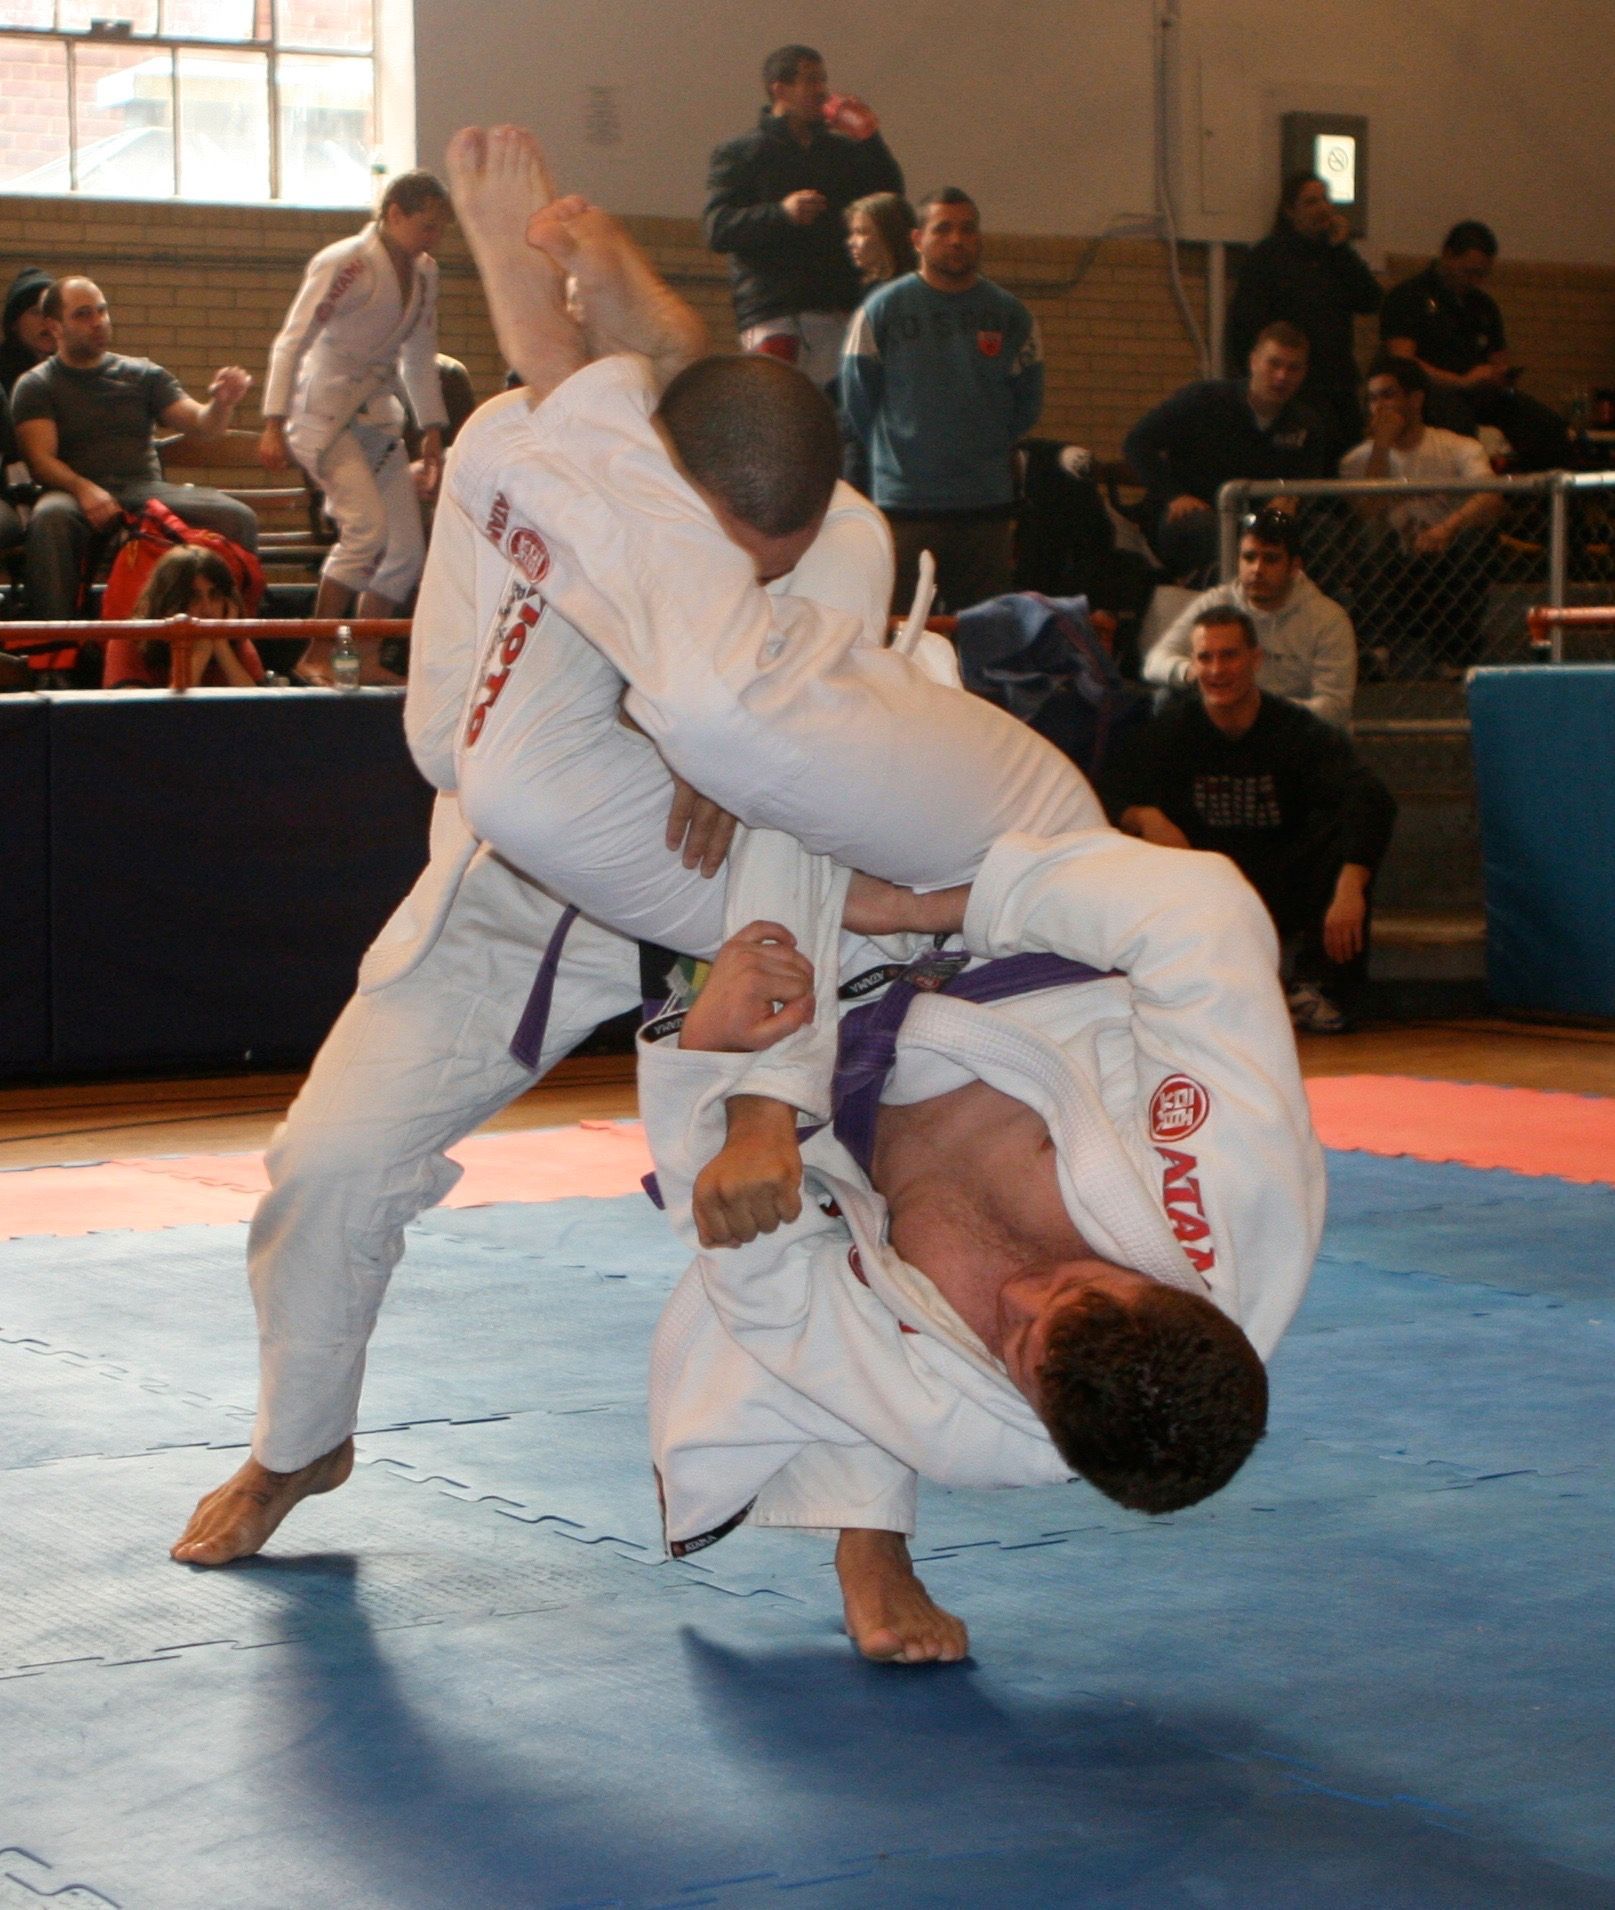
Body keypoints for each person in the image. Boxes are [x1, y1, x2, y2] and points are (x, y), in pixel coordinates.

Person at [169, 125, 1104, 1573]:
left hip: (732, 901)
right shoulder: (523, 456)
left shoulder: (834, 533)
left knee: (830, 1176)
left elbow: (824, 781)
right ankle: (301, 1437)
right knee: (326, 1163)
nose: (742, 587)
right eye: (717, 555)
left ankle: (867, 1532)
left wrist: (739, 744)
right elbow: (600, 451)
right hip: (513, 875)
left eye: (759, 570)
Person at [642, 820, 1321, 1660]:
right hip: (996, 936)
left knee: (581, 821)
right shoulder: (1228, 1195)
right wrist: (936, 901)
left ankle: (867, 1533)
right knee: (783, 732)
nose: (1015, 1296)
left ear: (1039, 1418)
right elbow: (1202, 911)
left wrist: (706, 1068)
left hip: (806, 1050)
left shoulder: (975, 1428)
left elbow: (768, 1289)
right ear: (1161, 1288)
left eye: (1014, 1342)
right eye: (1071, 1291)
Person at [1106, 605, 1396, 1034]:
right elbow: (1108, 790)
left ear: (1255, 660)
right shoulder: (1170, 732)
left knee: (1345, 851)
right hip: (1207, 886)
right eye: (1205, 657)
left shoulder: (1297, 730)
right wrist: (1142, 815)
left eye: (1230, 656)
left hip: (1280, 880)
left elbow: (1371, 798)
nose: (1217, 670)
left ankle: (1319, 989)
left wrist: (1351, 884)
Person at [261, 170, 451, 684]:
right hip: (322, 412)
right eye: (426, 225)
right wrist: (272, 422)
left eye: (440, 228)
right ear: (393, 215)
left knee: (408, 550)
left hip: (377, 414)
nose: (433, 237)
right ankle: (316, 652)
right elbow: (292, 341)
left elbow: (419, 356)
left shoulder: (426, 274)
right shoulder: (346, 261)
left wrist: (431, 426)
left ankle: (364, 656)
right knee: (366, 530)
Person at [10, 277, 257, 634]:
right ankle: (56, 650)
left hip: (143, 489)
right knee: (49, 520)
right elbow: (40, 460)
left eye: (102, 311)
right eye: (82, 314)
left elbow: (203, 426)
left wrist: (221, 404)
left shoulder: (142, 374)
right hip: (73, 492)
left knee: (237, 518)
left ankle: (240, 640)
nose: (98, 321)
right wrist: (84, 489)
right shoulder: (37, 384)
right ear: (54, 326)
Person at [841, 188, 1044, 612]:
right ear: (917, 239)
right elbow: (859, 401)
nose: (957, 240)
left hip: (985, 505)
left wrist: (982, 445)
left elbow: (1027, 404)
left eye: (968, 230)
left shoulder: (1010, 315)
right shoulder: (883, 310)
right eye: (943, 229)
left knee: (987, 637)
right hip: (904, 505)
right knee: (899, 637)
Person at [705, 45, 903, 388]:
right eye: (811, 80)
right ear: (779, 89)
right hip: (775, 309)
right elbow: (718, 228)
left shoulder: (841, 152)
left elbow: (890, 197)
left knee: (832, 417)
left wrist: (870, 138)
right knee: (779, 409)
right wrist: (781, 213)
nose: (822, 90)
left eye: (823, 80)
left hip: (836, 305)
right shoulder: (741, 153)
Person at [1123, 322, 1329, 583]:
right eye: (1274, 364)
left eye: (1293, 368)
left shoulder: (1306, 423)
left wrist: (1290, 498)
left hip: (1262, 521)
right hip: (1196, 516)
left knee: (1324, 530)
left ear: (1304, 373)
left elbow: (1307, 479)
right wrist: (1174, 495)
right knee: (1208, 529)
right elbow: (1137, 442)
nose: (1281, 376)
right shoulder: (1203, 400)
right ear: (1254, 361)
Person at [1340, 355, 1504, 673]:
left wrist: (1448, 527)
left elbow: (1491, 497)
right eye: (1372, 398)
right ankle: (1376, 652)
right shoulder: (1357, 461)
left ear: (1415, 399)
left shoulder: (1457, 447)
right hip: (1389, 572)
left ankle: (1453, 656)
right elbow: (1366, 511)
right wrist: (1381, 446)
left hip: (1445, 565)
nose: (1379, 406)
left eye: (1388, 395)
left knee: (1476, 534)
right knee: (1370, 532)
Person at [1379, 221, 1570, 473]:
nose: (1475, 280)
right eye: (1469, 272)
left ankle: (1526, 500)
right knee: (1458, 423)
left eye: (1482, 274)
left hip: (1479, 392)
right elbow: (1402, 362)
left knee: (1546, 425)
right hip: (1429, 393)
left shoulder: (1483, 306)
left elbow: (1498, 358)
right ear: (1447, 255)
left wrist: (1499, 375)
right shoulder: (1409, 297)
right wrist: (1460, 381)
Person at [1142, 506, 1357, 726]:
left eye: (1270, 559)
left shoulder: (1328, 620)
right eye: (1249, 557)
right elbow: (1154, 662)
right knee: (1165, 701)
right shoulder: (1216, 602)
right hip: (1231, 728)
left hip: (1294, 736)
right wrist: (1191, 671)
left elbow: (1335, 708)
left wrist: (1255, 710)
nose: (1257, 569)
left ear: (1294, 566)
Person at [1224, 173, 1382, 460]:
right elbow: (1245, 327)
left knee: (1343, 462)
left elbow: (1370, 300)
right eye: (1311, 202)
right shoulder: (1267, 257)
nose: (1323, 208)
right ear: (1289, 211)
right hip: (1290, 385)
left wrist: (1343, 249)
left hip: (1336, 384)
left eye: (1325, 200)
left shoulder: (1336, 256)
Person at [103, 545, 265, 690]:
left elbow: (259, 714)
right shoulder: (127, 640)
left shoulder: (236, 641)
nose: (207, 608)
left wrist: (221, 647)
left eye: (214, 595)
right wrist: (199, 657)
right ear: (167, 601)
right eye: (193, 597)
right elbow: (143, 720)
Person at [0, 264, 55, 396]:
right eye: (36, 312)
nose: (46, 321)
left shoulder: (71, 370)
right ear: (14, 323)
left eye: (51, 312)